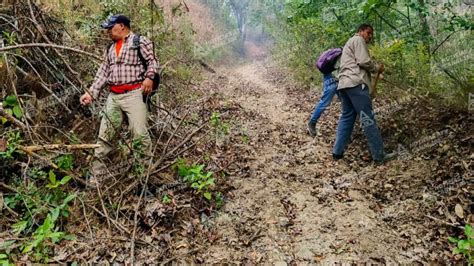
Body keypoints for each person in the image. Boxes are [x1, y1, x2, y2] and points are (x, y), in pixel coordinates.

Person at [79, 14, 158, 181]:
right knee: (105, 136)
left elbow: (152, 61)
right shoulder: (110, 48)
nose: (108, 31)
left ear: (121, 26)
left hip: (135, 94)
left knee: (139, 133)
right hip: (113, 97)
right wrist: (91, 93)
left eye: (111, 27)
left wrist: (149, 78)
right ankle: (95, 179)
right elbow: (103, 73)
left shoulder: (139, 41)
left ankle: (144, 178)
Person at [332, 23, 395, 163]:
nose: (370, 36)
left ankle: (337, 153)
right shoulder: (358, 40)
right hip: (355, 85)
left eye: (371, 34)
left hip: (344, 85)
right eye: (368, 33)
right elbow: (364, 61)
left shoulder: (350, 42)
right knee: (368, 119)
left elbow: (356, 65)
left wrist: (374, 73)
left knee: (347, 117)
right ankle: (379, 156)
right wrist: (377, 68)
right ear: (360, 31)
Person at [307, 56, 340, 137]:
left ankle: (344, 132)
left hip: (330, 76)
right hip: (336, 76)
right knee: (326, 102)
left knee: (325, 102)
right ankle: (312, 122)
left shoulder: (343, 51)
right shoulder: (351, 49)